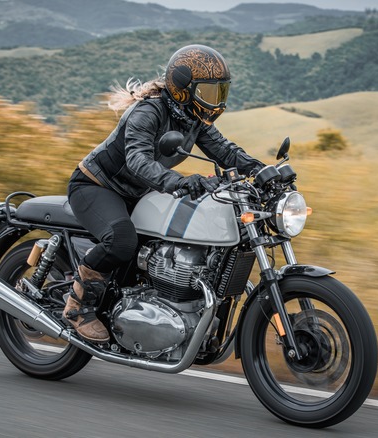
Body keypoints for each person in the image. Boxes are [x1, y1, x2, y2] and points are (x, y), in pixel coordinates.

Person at [63, 44, 264, 342]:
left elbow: (223, 150)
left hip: (141, 193)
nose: (215, 101)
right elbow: (137, 159)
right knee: (121, 241)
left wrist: (262, 170)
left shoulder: (192, 118)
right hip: (97, 185)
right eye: (208, 92)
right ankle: (77, 308)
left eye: (220, 92)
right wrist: (178, 182)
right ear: (183, 88)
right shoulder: (149, 111)